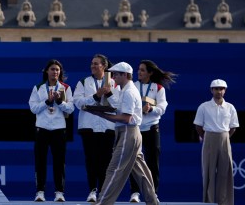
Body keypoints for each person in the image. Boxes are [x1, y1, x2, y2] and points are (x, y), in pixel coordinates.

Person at [89, 62, 159, 205]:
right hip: (131, 133)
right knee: (141, 172)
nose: (113, 77)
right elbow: (121, 113)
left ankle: (102, 203)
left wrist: (101, 115)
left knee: (114, 169)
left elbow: (126, 118)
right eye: (113, 74)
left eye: (116, 74)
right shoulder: (125, 90)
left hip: (128, 133)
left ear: (125, 75)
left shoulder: (128, 92)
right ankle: (152, 202)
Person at [128, 60, 176, 203]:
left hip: (152, 128)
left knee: (152, 162)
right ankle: (135, 193)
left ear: (150, 73)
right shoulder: (133, 87)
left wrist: (151, 109)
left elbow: (162, 108)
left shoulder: (158, 88)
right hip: (136, 129)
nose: (139, 72)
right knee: (133, 161)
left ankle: (152, 193)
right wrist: (139, 110)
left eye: (142, 70)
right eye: (138, 69)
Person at [73, 54, 118, 202]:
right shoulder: (83, 82)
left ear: (104, 66)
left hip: (108, 128)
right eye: (92, 63)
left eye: (96, 64)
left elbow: (118, 105)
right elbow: (78, 103)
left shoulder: (114, 83)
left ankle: (104, 192)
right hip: (89, 127)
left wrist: (109, 93)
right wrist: (96, 96)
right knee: (91, 160)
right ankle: (92, 190)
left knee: (106, 161)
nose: (92, 66)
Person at [29, 59, 75, 203]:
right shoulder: (38, 87)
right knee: (40, 161)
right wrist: (47, 102)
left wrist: (60, 102)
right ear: (46, 71)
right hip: (42, 128)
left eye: (57, 70)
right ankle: (40, 192)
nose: (55, 72)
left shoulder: (65, 88)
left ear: (60, 72)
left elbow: (71, 108)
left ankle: (59, 193)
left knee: (59, 162)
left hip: (59, 129)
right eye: (52, 69)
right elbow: (33, 108)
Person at [193, 79, 239, 205]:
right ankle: (209, 202)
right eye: (216, 89)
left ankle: (225, 202)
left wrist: (225, 138)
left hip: (225, 137)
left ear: (225, 90)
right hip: (209, 137)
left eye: (221, 89)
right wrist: (206, 137)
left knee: (226, 172)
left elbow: (233, 127)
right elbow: (198, 126)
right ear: (211, 90)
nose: (219, 91)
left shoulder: (230, 107)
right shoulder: (203, 106)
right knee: (208, 171)